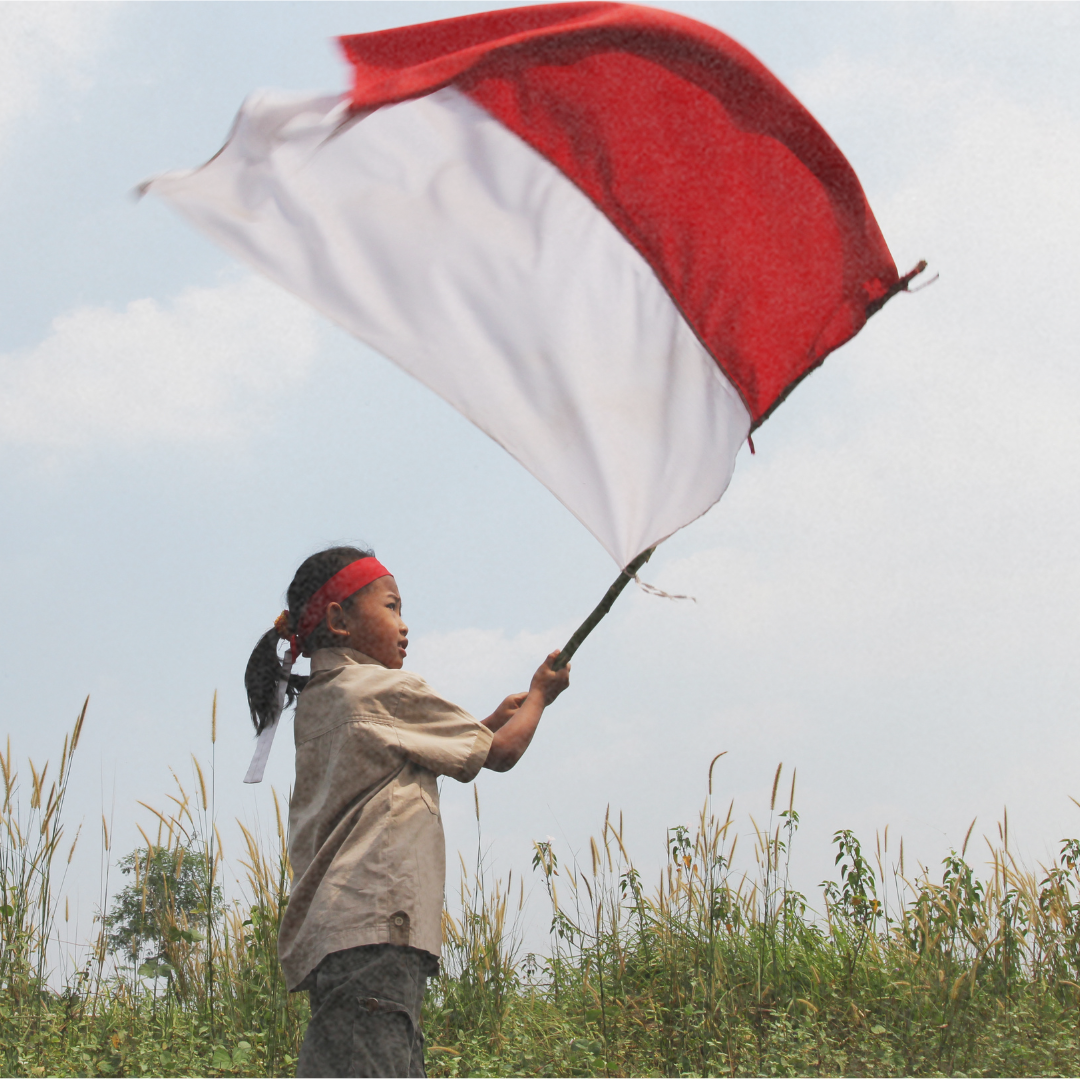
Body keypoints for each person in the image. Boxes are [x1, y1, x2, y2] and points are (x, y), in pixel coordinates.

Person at [244, 546, 569, 1078]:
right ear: (338, 620)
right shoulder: (387, 690)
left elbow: (406, 755)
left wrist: (486, 721)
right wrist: (539, 696)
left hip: (342, 935)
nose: (404, 625)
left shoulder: (324, 701)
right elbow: (502, 754)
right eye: (392, 607)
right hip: (377, 934)